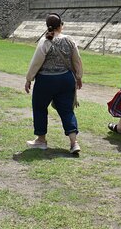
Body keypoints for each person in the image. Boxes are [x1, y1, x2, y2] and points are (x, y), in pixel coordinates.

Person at [25, 13, 83, 154]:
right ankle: (74, 142)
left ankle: (41, 139)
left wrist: (29, 78)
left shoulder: (45, 41)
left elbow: (36, 62)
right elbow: (77, 60)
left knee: (39, 108)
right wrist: (79, 76)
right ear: (60, 26)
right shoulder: (69, 40)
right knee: (67, 110)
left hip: (46, 81)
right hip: (66, 79)